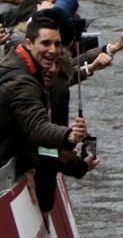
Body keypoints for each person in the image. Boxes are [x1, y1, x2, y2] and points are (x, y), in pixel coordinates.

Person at [0, 13, 92, 209]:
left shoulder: (19, 65)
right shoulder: (22, 82)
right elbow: (37, 128)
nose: (53, 50)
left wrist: (26, 164)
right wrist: (70, 135)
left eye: (57, 44)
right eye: (46, 43)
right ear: (29, 43)